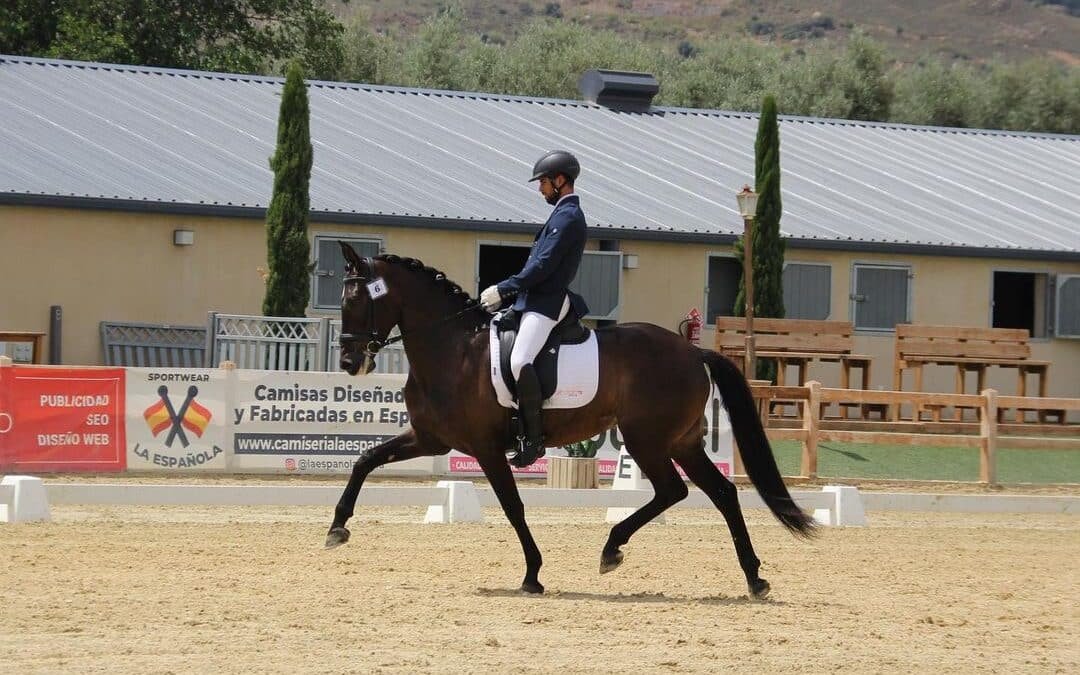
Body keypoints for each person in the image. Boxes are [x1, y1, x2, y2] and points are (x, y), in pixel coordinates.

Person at [480, 149, 590, 467]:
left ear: (560, 180)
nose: (540, 188)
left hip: (547, 303)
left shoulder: (569, 216)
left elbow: (543, 266)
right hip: (532, 301)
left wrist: (505, 288)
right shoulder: (559, 215)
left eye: (543, 181)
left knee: (519, 360)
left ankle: (533, 439)